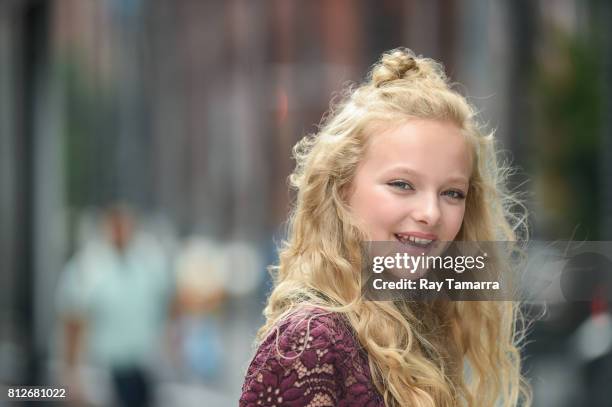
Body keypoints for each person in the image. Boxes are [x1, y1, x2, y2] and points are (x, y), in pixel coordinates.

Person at [239, 48, 531, 407]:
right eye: (402, 184)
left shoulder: (419, 335)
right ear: (342, 187)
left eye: (452, 193)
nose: (431, 213)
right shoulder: (308, 342)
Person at [57, 204, 174, 407]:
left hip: (143, 366)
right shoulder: (89, 266)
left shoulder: (149, 262)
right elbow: (72, 321)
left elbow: (169, 304)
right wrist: (71, 374)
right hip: (105, 369)